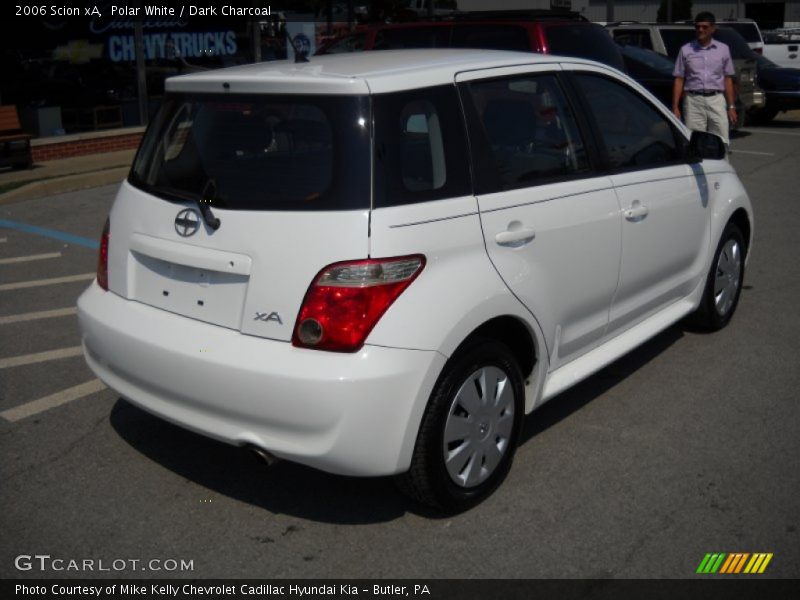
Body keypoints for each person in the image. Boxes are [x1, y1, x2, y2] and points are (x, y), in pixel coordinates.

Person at [672, 11, 737, 144]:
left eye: (705, 27)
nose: (700, 30)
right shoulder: (686, 50)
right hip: (693, 101)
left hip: (716, 100)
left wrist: (731, 106)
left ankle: (722, 164)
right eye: (698, 27)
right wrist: (675, 107)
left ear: (713, 28)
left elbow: (728, 79)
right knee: (695, 141)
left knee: (721, 140)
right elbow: (679, 79)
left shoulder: (723, 49)